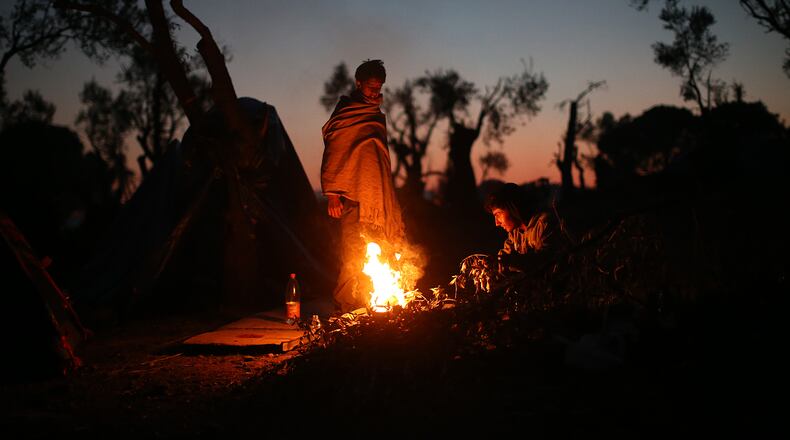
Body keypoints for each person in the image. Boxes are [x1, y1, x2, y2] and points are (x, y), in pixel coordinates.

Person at [321, 59, 405, 312]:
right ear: (358, 83)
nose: (374, 92)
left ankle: (370, 302)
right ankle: (345, 304)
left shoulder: (376, 116)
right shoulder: (346, 112)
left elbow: (379, 157)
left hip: (377, 198)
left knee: (378, 250)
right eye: (370, 87)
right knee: (353, 253)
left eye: (378, 88)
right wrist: (333, 195)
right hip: (352, 197)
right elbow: (334, 151)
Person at [484, 182, 557, 275]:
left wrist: (513, 261)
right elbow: (505, 254)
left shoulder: (543, 224)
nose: (497, 223)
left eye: (498, 214)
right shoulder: (515, 235)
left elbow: (546, 261)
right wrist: (494, 262)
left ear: (511, 207)